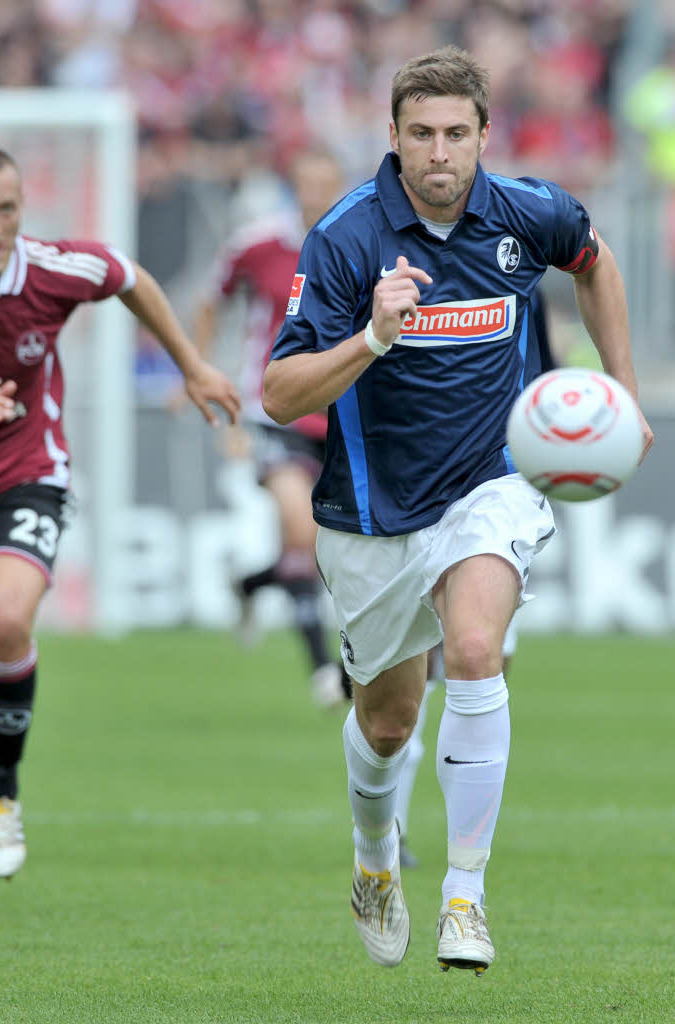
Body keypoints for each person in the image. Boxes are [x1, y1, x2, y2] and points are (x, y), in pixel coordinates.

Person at [262, 46, 653, 974]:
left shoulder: (529, 211)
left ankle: (464, 899)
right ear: (392, 139)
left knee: (476, 651)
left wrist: (621, 393)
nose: (438, 154)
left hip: (491, 483)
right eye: (420, 136)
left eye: (455, 135)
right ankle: (373, 858)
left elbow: (591, 263)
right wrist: (371, 336)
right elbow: (279, 394)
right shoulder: (345, 239)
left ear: (483, 137)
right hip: (370, 510)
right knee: (388, 722)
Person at [0, 145, 241, 915]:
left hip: (22, 472)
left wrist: (191, 366)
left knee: (6, 617)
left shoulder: (49, 270)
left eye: (7, 209)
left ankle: (0, 796)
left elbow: (130, 279)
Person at [394, 285, 555, 870]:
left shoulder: (517, 269)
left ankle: (464, 886)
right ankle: (391, 828)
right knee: (406, 691)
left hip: (496, 497)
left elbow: (545, 381)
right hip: (410, 502)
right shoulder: (388, 266)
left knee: (481, 659)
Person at [191, 147, 350, 708]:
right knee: (299, 529)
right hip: (274, 409)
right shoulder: (258, 245)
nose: (316, 192)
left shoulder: (361, 241)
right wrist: (198, 370)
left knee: (329, 549)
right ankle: (323, 671)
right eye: (306, 181)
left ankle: (250, 585)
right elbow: (212, 301)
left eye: (325, 181)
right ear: (293, 185)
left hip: (342, 415)